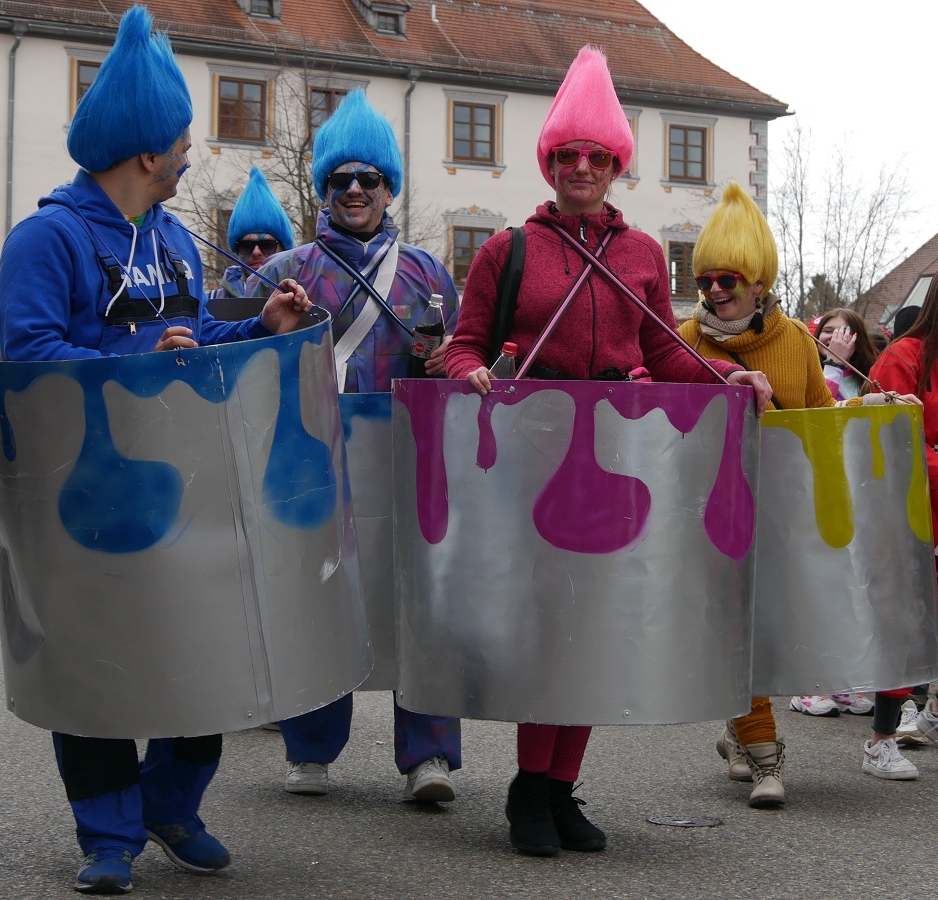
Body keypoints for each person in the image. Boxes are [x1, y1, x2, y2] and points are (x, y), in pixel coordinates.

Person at [0, 7, 310, 894]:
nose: (185, 157)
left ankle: (173, 805)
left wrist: (261, 322)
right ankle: (108, 835)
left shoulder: (173, 238)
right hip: (87, 494)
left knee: (198, 657)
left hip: (188, 487)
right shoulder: (46, 238)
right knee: (96, 663)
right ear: (145, 152)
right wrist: (141, 360)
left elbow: (190, 331)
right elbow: (30, 356)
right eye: (180, 143)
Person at [444, 46, 773, 856]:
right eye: (567, 155)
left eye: (596, 156)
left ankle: (559, 789)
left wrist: (727, 373)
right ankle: (528, 788)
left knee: (594, 624)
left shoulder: (639, 255)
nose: (582, 166)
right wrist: (472, 372)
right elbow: (462, 345)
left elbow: (664, 353)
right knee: (547, 624)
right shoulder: (506, 249)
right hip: (534, 453)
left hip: (613, 456)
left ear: (616, 163)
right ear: (549, 163)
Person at [250, 87, 462, 803]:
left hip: (407, 460)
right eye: (339, 180)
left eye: (368, 179)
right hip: (313, 456)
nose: (354, 191)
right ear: (323, 189)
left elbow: (464, 361)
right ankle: (310, 749)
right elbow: (246, 370)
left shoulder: (429, 273)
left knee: (419, 600)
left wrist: (448, 362)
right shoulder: (285, 271)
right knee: (317, 595)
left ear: (389, 186)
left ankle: (428, 756)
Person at [678, 183, 915, 797]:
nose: (715, 292)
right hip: (707, 513)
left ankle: (740, 726)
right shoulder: (683, 338)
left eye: (728, 278)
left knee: (765, 626)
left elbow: (821, 418)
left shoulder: (793, 341)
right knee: (733, 624)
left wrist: (880, 408)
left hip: (776, 515)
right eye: (705, 280)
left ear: (758, 282)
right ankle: (764, 752)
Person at [869, 279, 938, 771]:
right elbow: (888, 442)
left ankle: (930, 716)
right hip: (911, 512)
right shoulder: (906, 355)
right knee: (904, 621)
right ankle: (880, 739)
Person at [208, 166, 293, 303]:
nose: (256, 252)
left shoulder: (302, 302)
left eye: (267, 245)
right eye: (246, 245)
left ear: (283, 249)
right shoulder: (210, 303)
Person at [814, 307, 879, 401]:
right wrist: (834, 363)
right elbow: (820, 405)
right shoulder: (807, 375)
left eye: (844, 332)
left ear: (858, 342)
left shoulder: (872, 376)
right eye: (828, 331)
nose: (834, 338)